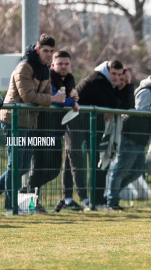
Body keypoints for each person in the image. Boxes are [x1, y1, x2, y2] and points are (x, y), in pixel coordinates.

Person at [0, 34, 66, 214]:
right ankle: (10, 207)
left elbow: (41, 95)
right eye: (45, 51)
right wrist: (52, 98)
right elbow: (29, 96)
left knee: (22, 167)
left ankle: (11, 204)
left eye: (52, 51)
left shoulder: (44, 69)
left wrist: (48, 98)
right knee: (15, 166)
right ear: (37, 49)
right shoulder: (24, 67)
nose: (48, 54)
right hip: (13, 121)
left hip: (29, 122)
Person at [61, 60, 125, 211]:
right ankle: (80, 199)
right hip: (76, 120)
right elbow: (114, 102)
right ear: (107, 70)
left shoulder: (107, 82)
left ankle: (93, 199)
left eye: (119, 74)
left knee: (95, 160)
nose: (116, 77)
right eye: (114, 73)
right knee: (74, 160)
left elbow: (119, 103)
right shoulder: (98, 79)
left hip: (91, 121)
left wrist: (111, 102)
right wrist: (109, 105)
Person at [22, 51, 79, 213]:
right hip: (40, 130)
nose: (63, 67)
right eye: (59, 64)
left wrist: (73, 100)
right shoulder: (47, 76)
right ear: (53, 65)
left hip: (56, 132)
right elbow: (56, 97)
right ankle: (29, 204)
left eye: (66, 64)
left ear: (70, 65)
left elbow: (69, 98)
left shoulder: (69, 80)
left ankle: (26, 192)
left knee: (53, 170)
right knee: (38, 169)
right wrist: (70, 102)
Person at [105, 71, 151, 210]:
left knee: (138, 171)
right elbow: (140, 109)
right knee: (121, 170)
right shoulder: (147, 90)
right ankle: (111, 201)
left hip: (140, 138)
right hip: (131, 136)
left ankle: (111, 195)